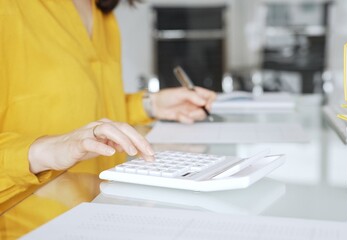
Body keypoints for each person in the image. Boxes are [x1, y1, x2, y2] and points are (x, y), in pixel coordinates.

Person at [0, 0, 216, 201]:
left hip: (102, 208)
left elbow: (82, 108)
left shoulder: (103, 15)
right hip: (30, 222)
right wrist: (42, 151)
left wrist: (151, 104)